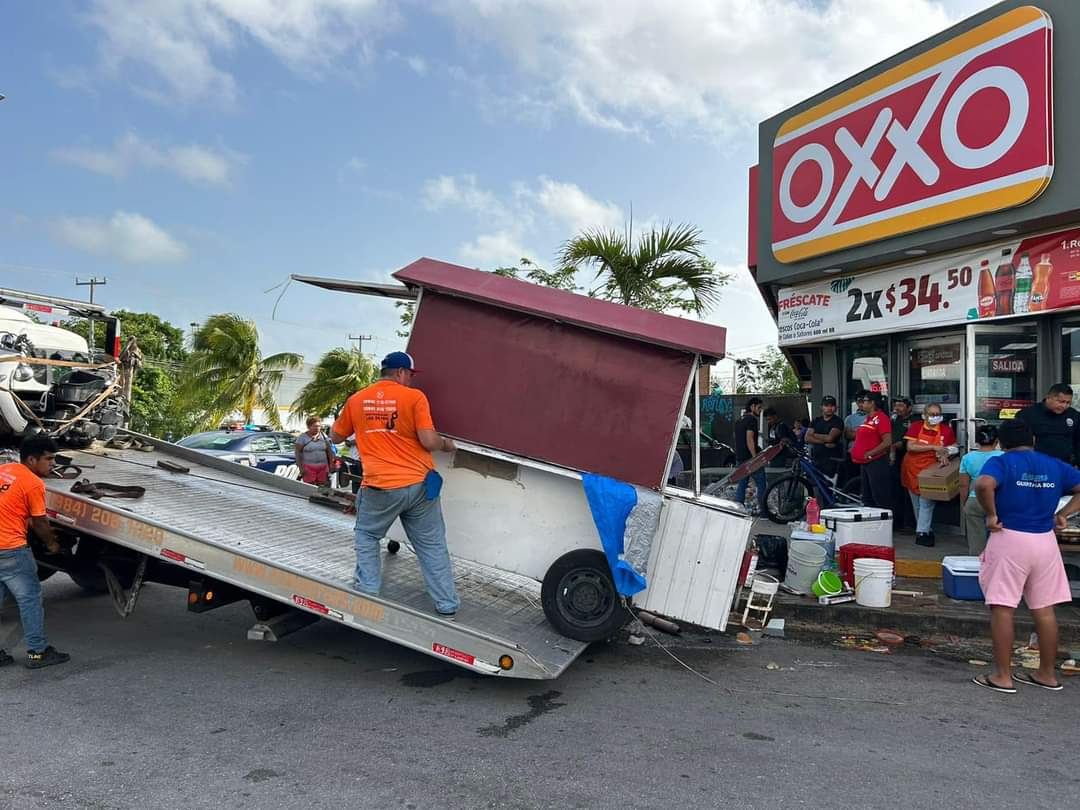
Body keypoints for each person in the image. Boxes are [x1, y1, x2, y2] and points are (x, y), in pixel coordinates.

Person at [330, 351, 460, 617]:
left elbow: (335, 435)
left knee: (367, 536)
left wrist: (366, 427)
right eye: (410, 375)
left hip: (381, 487)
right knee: (432, 545)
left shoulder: (357, 400)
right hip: (420, 485)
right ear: (401, 373)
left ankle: (368, 592)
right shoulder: (414, 398)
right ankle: (447, 604)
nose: (411, 380)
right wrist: (446, 444)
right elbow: (428, 440)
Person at [972, 419, 1079, 693]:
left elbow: (984, 485)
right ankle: (1047, 674)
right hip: (1045, 541)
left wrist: (992, 514)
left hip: (1010, 539)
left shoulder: (1002, 462)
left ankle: (1003, 676)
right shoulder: (1053, 464)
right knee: (1044, 609)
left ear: (1001, 443)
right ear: (1032, 439)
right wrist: (1064, 515)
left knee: (1003, 607)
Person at [0, 435, 70, 669]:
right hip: (11, 550)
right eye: (49, 459)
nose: (53, 464)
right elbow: (40, 523)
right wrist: (52, 543)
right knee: (29, 600)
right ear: (32, 459)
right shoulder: (33, 483)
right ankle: (38, 652)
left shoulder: (4, 470)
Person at [900, 403, 957, 547]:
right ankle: (926, 530)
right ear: (924, 415)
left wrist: (946, 452)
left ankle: (922, 533)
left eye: (938, 414)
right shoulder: (916, 427)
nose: (935, 417)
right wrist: (932, 446)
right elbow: (910, 446)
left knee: (926, 502)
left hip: (932, 471)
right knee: (917, 504)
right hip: (912, 468)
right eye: (932, 414)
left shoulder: (946, 430)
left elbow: (954, 447)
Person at [959, 425, 1002, 556]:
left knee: (976, 540)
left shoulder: (967, 458)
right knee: (999, 538)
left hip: (974, 500)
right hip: (997, 500)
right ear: (997, 441)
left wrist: (965, 503)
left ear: (977, 441)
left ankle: (977, 569)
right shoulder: (1003, 456)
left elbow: (963, 485)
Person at [1015, 384, 1080, 465]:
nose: (1064, 406)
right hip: (1035, 466)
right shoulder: (1027, 415)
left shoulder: (1074, 415)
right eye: (1061, 401)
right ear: (1048, 397)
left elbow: (1078, 443)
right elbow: (1018, 444)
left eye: (1068, 402)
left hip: (1065, 467)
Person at [851, 392, 893, 512]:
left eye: (864, 401)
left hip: (876, 461)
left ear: (872, 403)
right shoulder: (868, 418)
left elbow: (887, 441)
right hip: (865, 463)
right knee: (867, 496)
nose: (862, 404)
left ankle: (886, 524)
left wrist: (870, 453)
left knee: (879, 495)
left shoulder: (882, 418)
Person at [734, 398, 766, 514]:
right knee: (761, 483)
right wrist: (755, 458)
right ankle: (764, 511)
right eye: (759, 407)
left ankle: (738, 509)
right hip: (750, 458)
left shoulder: (739, 421)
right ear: (752, 407)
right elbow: (749, 439)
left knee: (742, 484)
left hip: (740, 457)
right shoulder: (752, 420)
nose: (760, 410)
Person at [889, 397, 916, 532]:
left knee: (908, 492)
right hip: (894, 458)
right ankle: (897, 522)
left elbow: (905, 441)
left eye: (900, 405)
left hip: (909, 457)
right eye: (896, 405)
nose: (897, 408)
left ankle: (909, 523)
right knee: (895, 490)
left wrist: (897, 446)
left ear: (909, 407)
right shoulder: (893, 419)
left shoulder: (915, 421)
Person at [806, 395, 844, 482]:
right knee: (817, 485)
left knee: (829, 487)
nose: (829, 408)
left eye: (832, 405)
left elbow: (830, 438)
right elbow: (807, 438)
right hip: (817, 459)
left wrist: (814, 434)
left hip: (832, 461)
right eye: (826, 405)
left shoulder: (838, 421)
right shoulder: (816, 420)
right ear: (821, 407)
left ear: (836, 408)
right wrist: (823, 441)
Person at [295, 416, 335, 486]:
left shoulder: (324, 436)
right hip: (308, 467)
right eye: (315, 426)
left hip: (323, 467)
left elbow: (329, 451)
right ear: (309, 426)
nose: (317, 428)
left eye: (319, 426)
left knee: (322, 488)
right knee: (310, 488)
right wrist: (301, 468)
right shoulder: (302, 438)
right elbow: (297, 453)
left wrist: (331, 464)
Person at [842, 391, 869, 483]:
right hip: (852, 453)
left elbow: (872, 435)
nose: (861, 403)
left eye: (864, 400)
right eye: (859, 400)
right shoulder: (849, 418)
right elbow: (848, 435)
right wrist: (864, 432)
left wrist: (856, 431)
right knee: (852, 481)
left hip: (869, 454)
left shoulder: (874, 417)